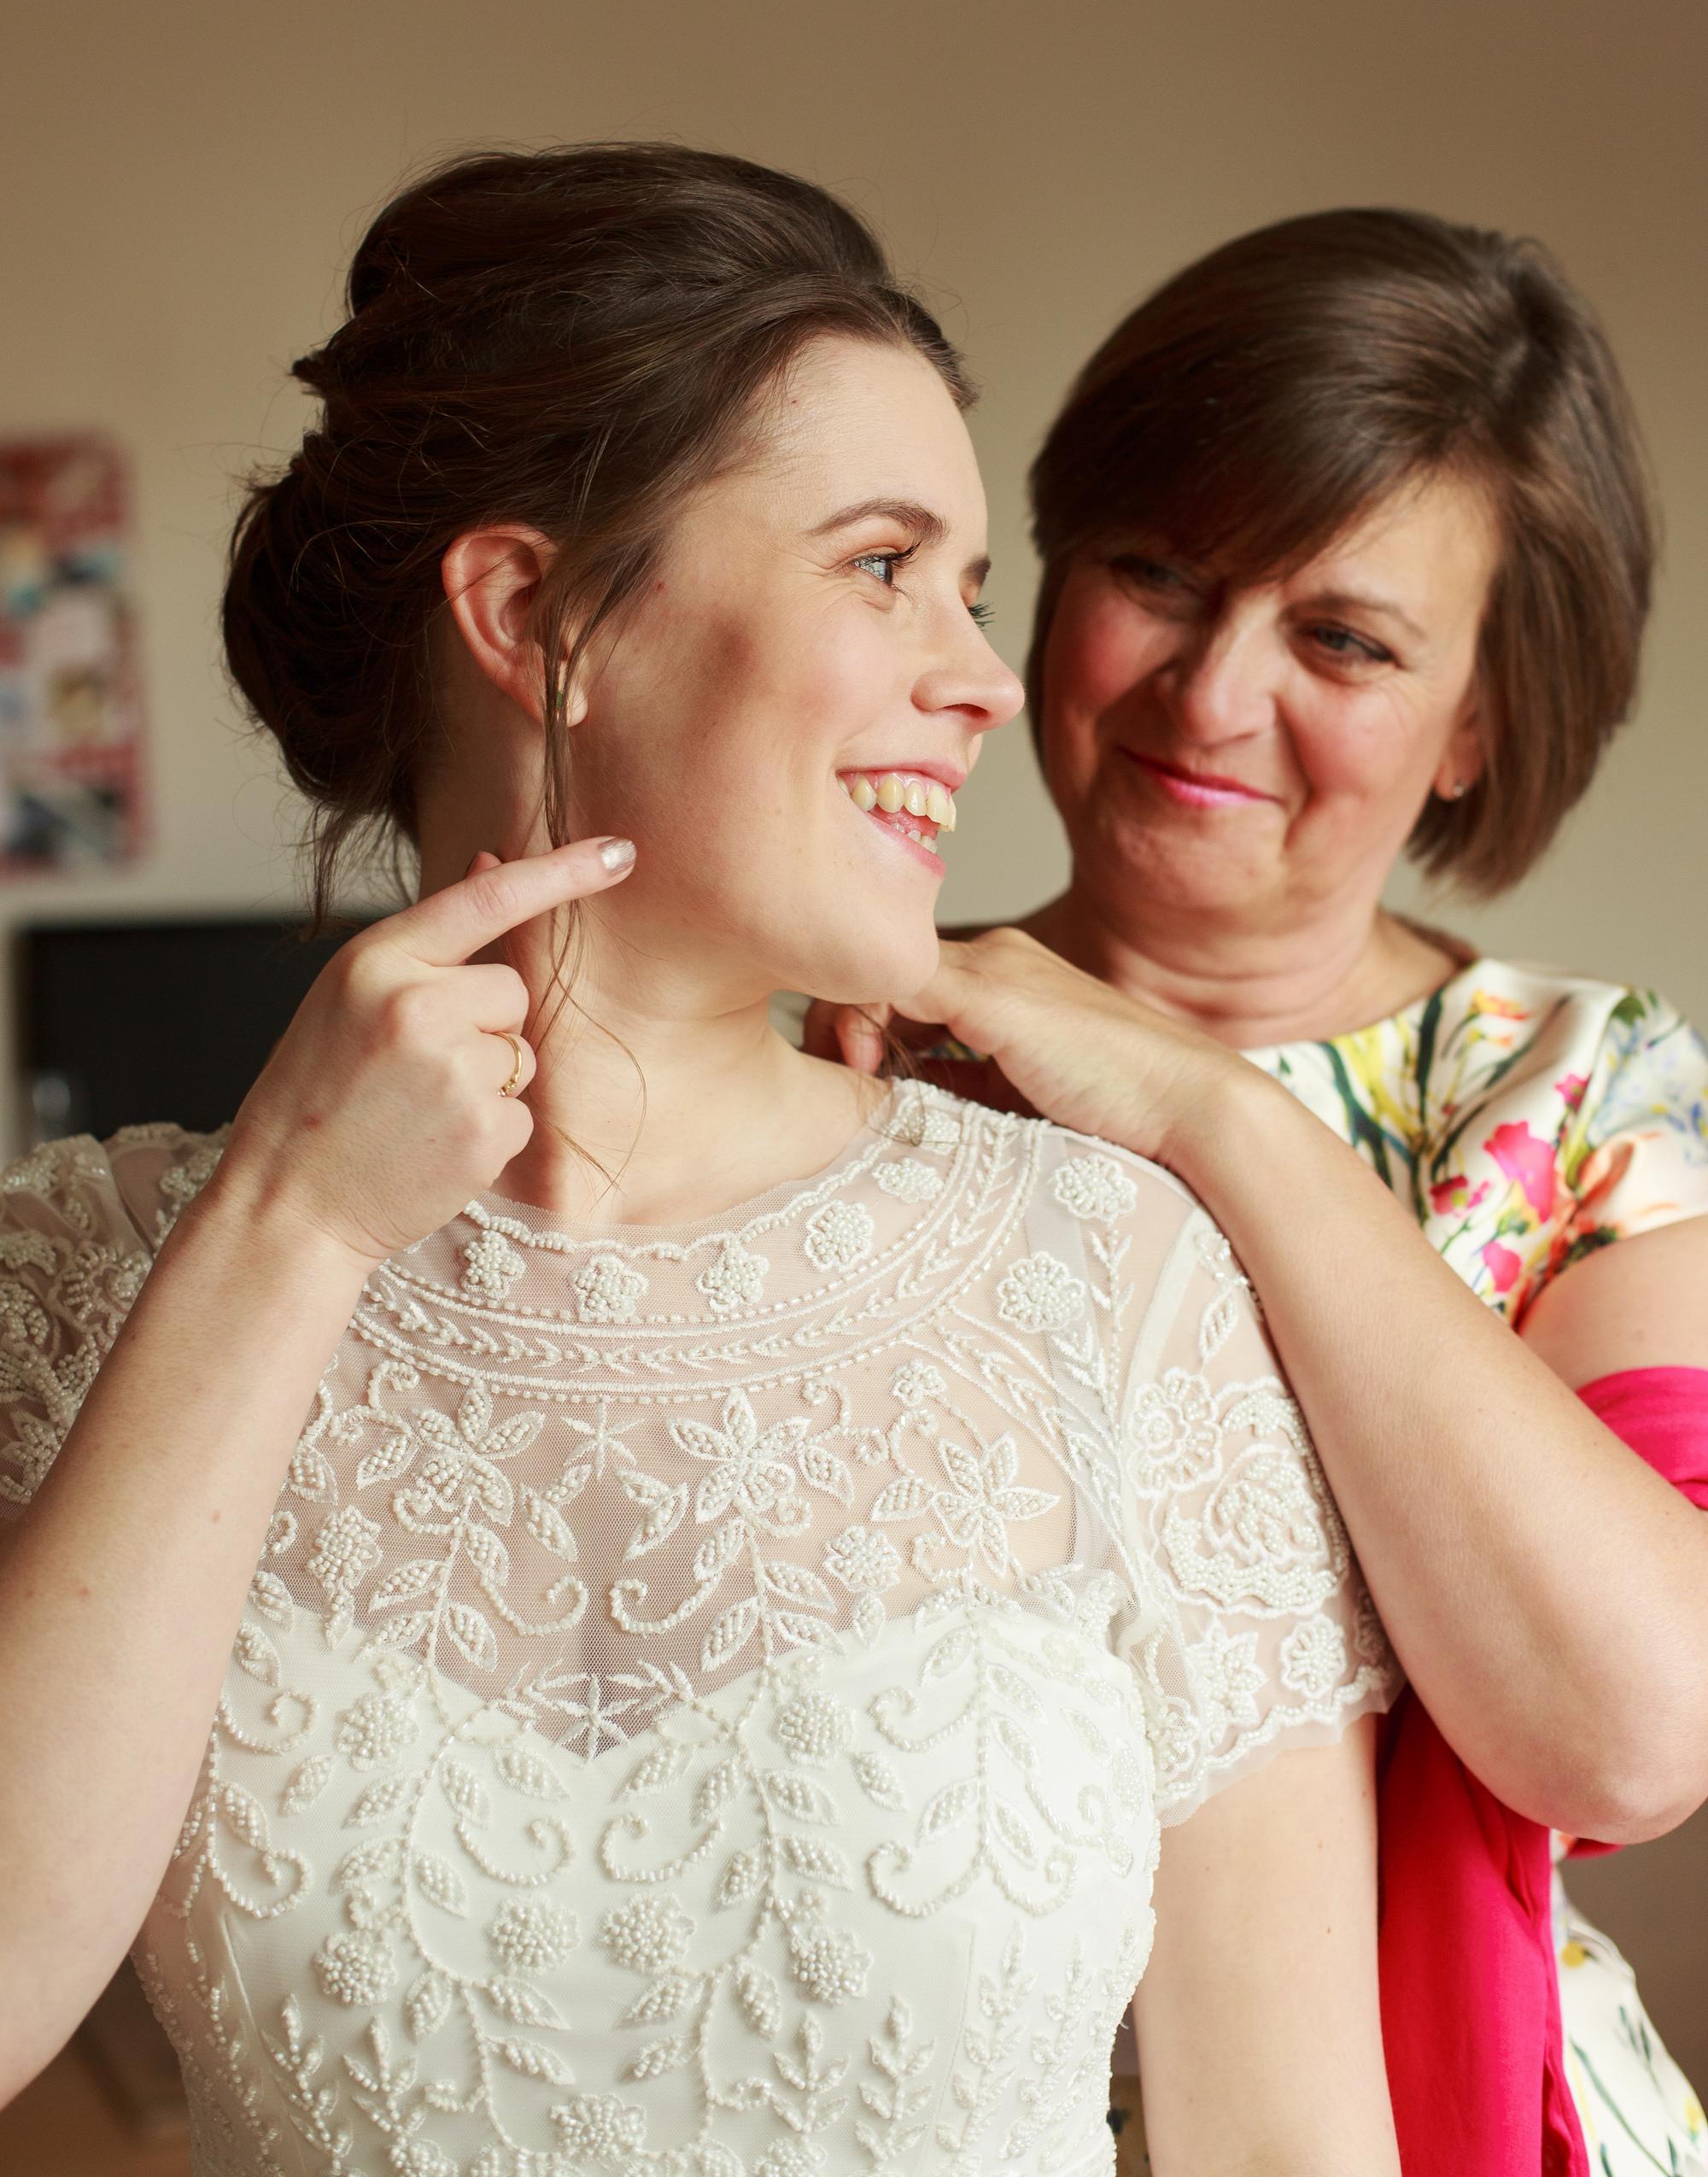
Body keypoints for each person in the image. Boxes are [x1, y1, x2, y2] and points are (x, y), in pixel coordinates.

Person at [0, 147, 1401, 2175]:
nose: (984, 679)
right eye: (879, 563)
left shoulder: (1112, 1282)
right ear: (535, 614)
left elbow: (1287, 2145)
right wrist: (287, 1229)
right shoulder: (74, 1278)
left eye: (974, 587)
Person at [810, 208, 1708, 2177]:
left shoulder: (1585, 1095)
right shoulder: (824, 1043)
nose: (1210, 697)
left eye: (1342, 639)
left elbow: (1628, 1731)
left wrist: (1212, 1115)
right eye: (1160, 573)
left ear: (1474, 721)